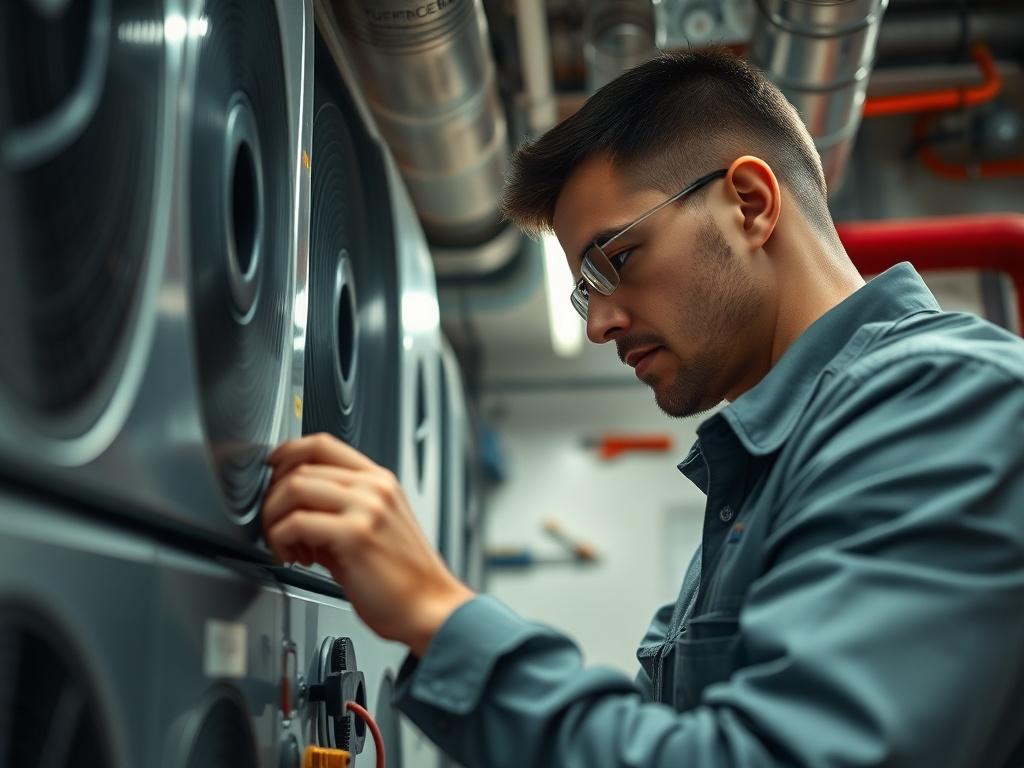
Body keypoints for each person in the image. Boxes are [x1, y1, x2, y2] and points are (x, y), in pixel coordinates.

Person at [262, 48, 1024, 766]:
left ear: (751, 204)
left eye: (617, 260)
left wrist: (437, 612)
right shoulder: (757, 485)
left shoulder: (945, 401)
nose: (598, 324)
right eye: (584, 290)